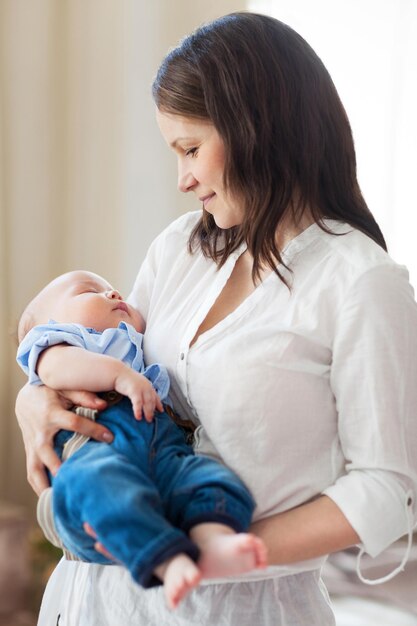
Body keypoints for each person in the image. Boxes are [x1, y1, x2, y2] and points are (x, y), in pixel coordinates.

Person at [15, 11, 417, 626]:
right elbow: (108, 359)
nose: (183, 179)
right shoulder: (180, 248)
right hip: (96, 600)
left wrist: (221, 555)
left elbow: (388, 489)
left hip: (243, 606)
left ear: (257, 129)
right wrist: (35, 398)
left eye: (191, 149)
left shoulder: (361, 284)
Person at [16, 269, 267, 609]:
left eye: (112, 288)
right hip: (94, 460)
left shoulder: (136, 349)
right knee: (101, 484)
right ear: (49, 324)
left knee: (210, 476)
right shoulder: (57, 344)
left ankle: (213, 539)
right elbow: (55, 370)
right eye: (88, 290)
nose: (113, 294)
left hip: (161, 457)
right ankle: (166, 559)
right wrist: (120, 376)